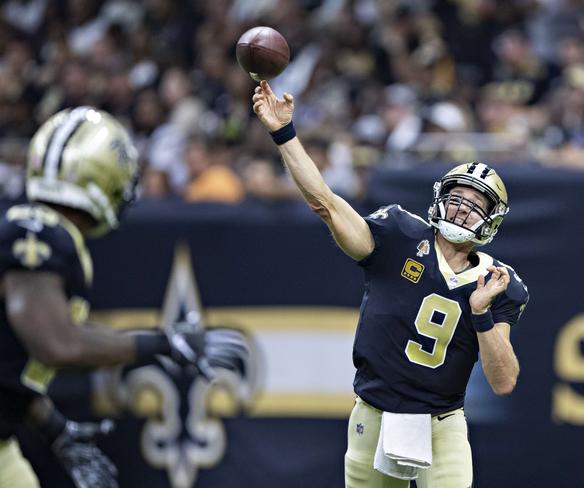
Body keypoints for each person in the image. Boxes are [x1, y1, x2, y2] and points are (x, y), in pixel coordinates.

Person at [252, 81, 529, 488]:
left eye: (475, 206)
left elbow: (504, 381)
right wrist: (284, 134)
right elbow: (326, 203)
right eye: (456, 197)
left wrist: (481, 314)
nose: (461, 209)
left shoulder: (498, 282)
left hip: (442, 424)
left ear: (490, 221)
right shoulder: (400, 234)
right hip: (374, 413)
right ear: (440, 198)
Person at [0, 106, 249, 488]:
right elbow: (57, 344)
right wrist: (162, 342)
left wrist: (55, 431)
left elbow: (10, 363)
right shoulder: (37, 232)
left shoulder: (41, 232)